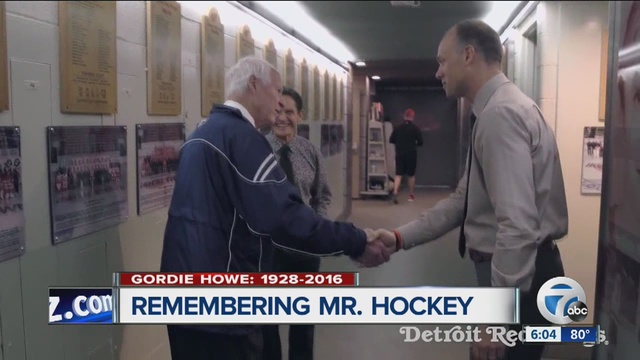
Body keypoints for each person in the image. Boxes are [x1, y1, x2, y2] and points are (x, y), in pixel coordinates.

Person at [160, 56, 396, 359]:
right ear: (254, 85)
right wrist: (356, 240)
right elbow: (283, 218)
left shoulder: (200, 135)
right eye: (276, 91)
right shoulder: (242, 138)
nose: (279, 102)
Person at [374, 19, 568, 360]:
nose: (438, 72)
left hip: (517, 279)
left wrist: (495, 318)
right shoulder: (498, 110)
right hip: (519, 274)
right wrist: (400, 237)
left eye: (442, 60)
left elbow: (517, 224)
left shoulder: (500, 116)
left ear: (468, 55)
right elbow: (462, 200)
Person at [262, 87, 330, 359]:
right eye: (277, 110)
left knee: (303, 326)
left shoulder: (309, 152)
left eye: (289, 111)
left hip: (304, 252)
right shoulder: (257, 150)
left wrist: (315, 228)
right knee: (266, 326)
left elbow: (323, 195)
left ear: (299, 115)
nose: (282, 117)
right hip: (267, 252)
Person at [389, 108, 423, 203]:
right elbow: (420, 142)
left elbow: (391, 140)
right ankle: (410, 195)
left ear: (404, 116)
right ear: (412, 117)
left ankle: (395, 192)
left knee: (398, 174)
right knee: (411, 175)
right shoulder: (415, 129)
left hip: (400, 153)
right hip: (411, 154)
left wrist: (399, 142)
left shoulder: (398, 128)